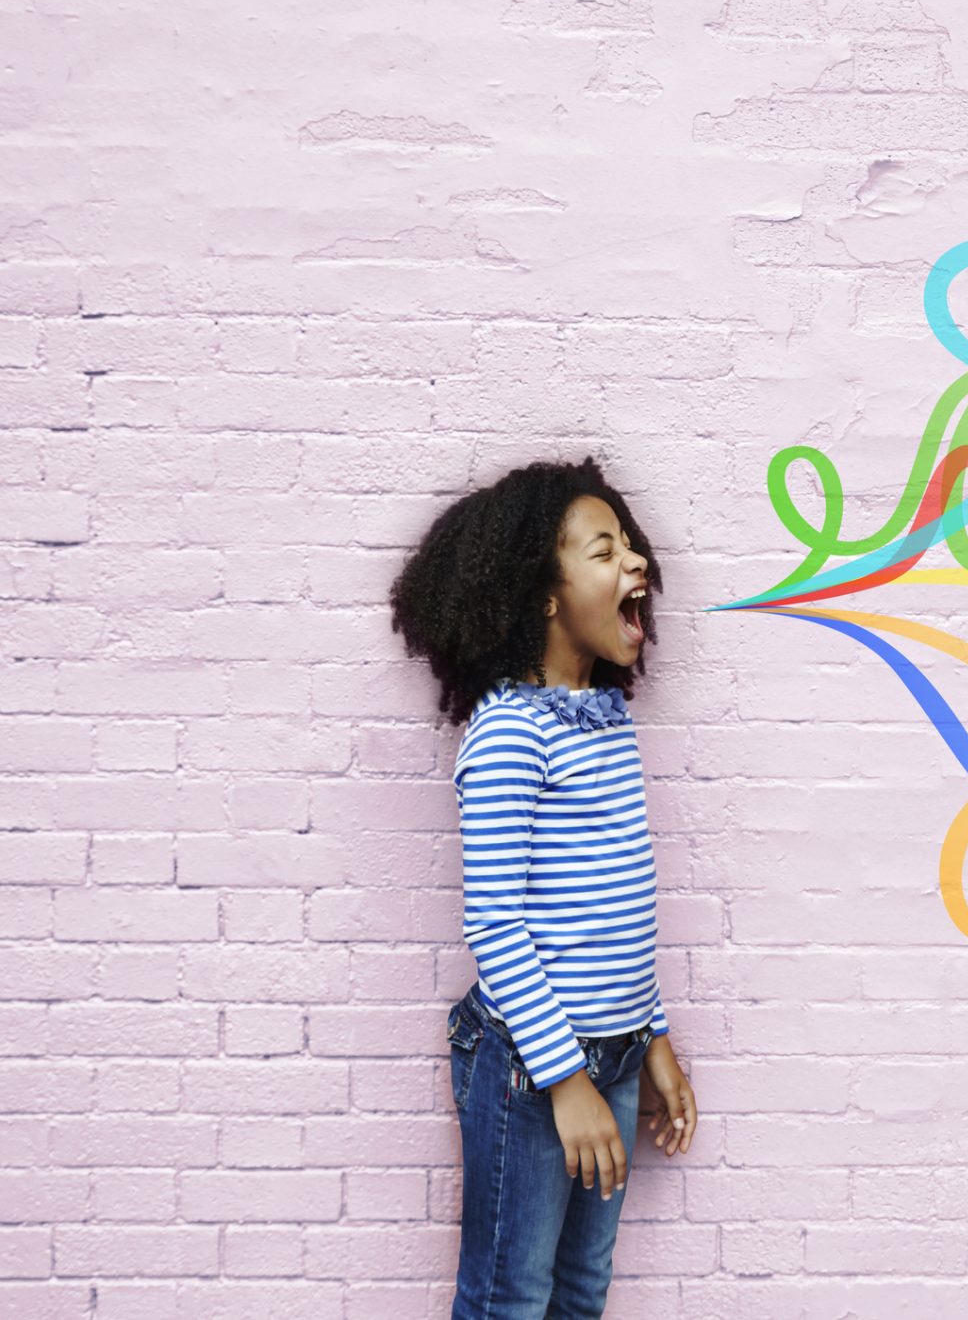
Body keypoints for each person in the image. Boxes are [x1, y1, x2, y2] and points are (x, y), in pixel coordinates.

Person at [388, 454, 698, 1317]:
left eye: (631, 547)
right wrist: (567, 1083)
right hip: (535, 1068)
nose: (635, 562)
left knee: (580, 1292)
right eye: (605, 551)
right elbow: (495, 925)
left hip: (619, 1051)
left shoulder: (603, 720)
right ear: (546, 596)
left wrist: (654, 1035)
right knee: (509, 1299)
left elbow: (616, 910)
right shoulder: (512, 733)